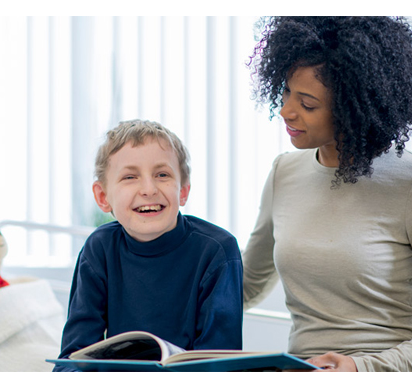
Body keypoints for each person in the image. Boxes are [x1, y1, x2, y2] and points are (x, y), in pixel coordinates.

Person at [242, 17, 412, 372]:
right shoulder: (284, 172)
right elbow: (244, 284)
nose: (286, 111)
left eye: (307, 104)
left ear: (354, 109)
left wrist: (360, 367)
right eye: (286, 91)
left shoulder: (406, 184)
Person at [53, 120, 243, 372]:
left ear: (183, 191)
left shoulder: (217, 251)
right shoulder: (99, 249)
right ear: (103, 197)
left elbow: (221, 362)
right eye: (130, 177)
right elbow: (72, 358)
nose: (148, 189)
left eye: (162, 175)